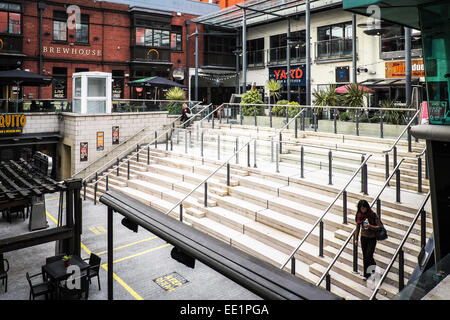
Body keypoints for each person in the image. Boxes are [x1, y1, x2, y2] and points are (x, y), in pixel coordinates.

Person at [354, 199, 382, 280]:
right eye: (361, 208)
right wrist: (356, 239)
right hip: (363, 237)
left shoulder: (372, 214)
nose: (363, 210)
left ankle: (373, 267)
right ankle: (366, 274)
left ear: (367, 207)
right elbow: (357, 227)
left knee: (369, 255)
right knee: (365, 256)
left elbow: (379, 226)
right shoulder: (359, 215)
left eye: (364, 208)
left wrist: (370, 226)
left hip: (372, 238)